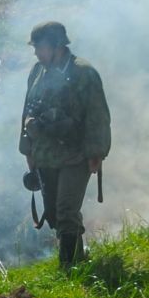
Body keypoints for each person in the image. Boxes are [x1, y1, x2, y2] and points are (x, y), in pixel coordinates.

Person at [18, 21, 111, 270]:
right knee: (55, 215)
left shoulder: (83, 73)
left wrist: (96, 152)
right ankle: (79, 259)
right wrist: (28, 149)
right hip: (45, 154)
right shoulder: (37, 72)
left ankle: (67, 270)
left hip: (75, 154)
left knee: (67, 210)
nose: (36, 52)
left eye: (40, 46)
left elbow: (97, 115)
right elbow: (27, 112)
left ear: (57, 46)